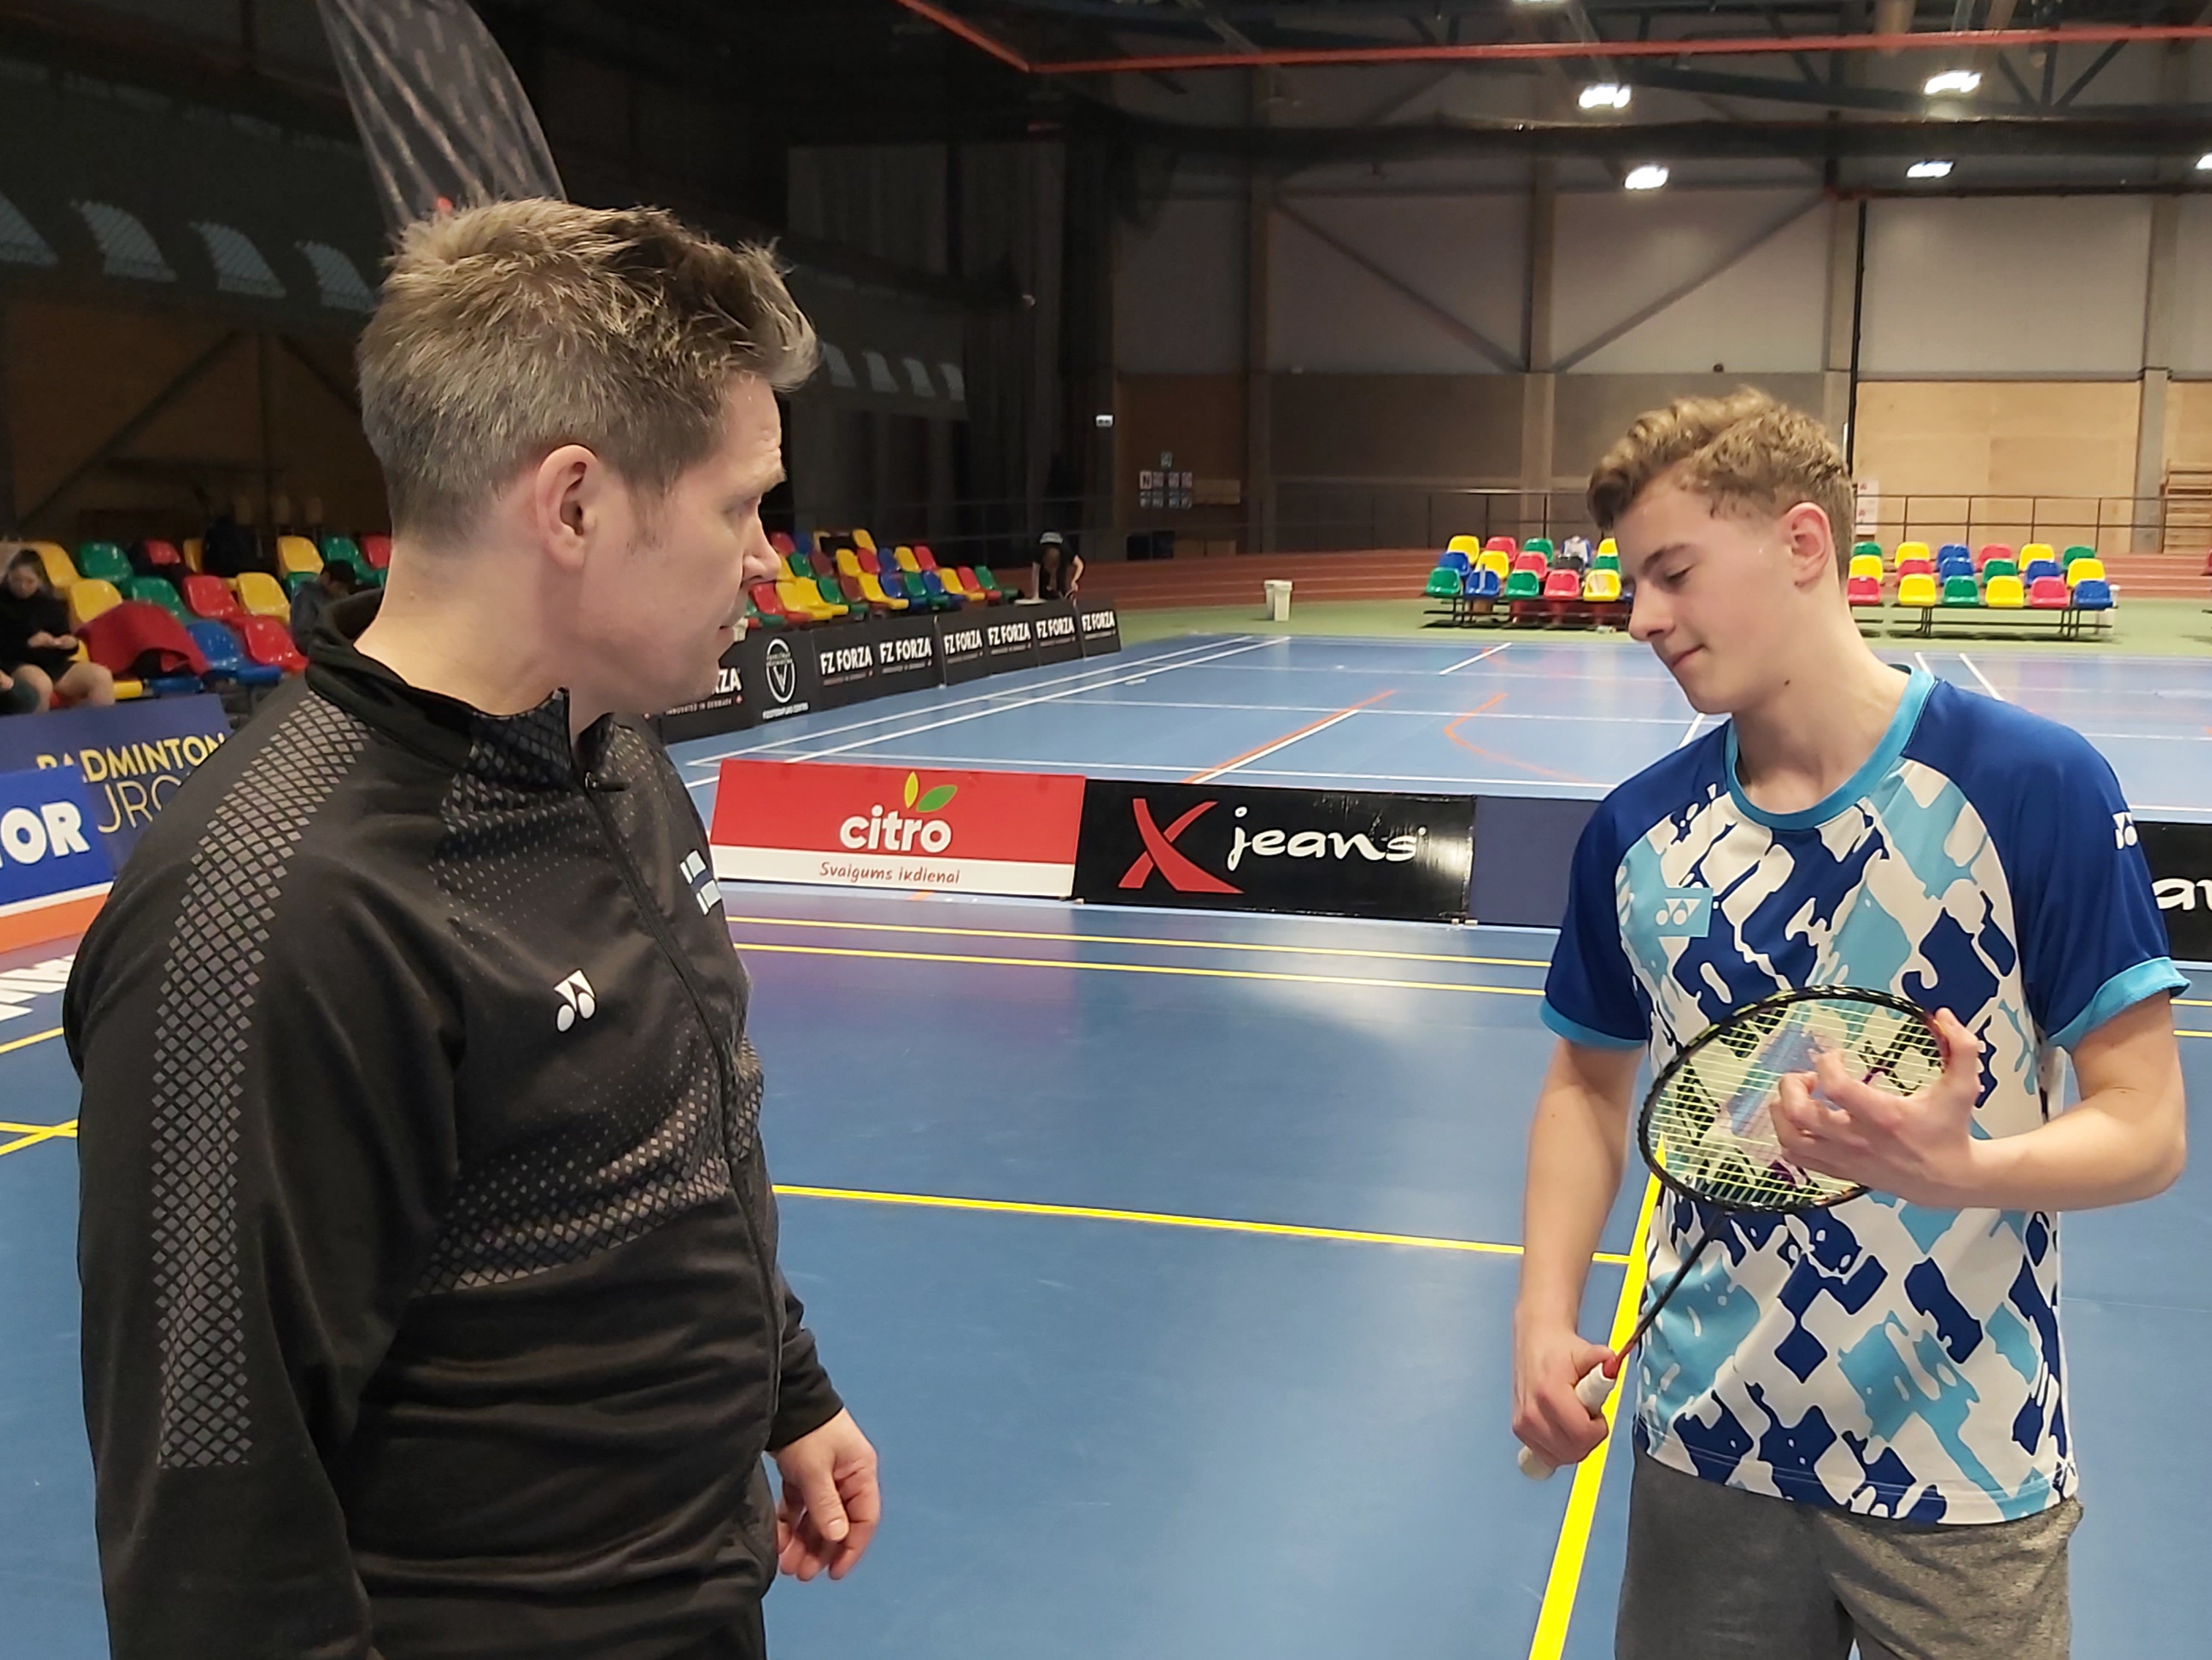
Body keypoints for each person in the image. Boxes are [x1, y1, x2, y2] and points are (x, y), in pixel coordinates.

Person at [67, 201, 880, 1660]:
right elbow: (210, 1525)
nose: (768, 558)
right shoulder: (279, 910)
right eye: (738, 506)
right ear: (572, 507)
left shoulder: (608, 753)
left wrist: (787, 1387)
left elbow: (686, 1124)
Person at [1512, 390, 2186, 1660]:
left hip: (1963, 1466)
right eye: (1631, 581)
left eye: (1671, 574)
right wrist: (1542, 1318)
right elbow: (1584, 1085)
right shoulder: (1633, 834)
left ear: (1802, 544)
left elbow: (2145, 1127)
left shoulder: (2030, 785)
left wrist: (1961, 1169)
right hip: (1705, 1449)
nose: (1638, 616)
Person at [0, 547, 115, 709]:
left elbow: (66, 640)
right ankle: (36, 725)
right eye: (17, 580)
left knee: (101, 676)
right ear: (8, 576)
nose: (23, 586)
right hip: (17, 663)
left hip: (54, 665)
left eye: (29, 581)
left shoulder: (52, 604)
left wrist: (69, 643)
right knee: (41, 684)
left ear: (40, 580)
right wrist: (28, 644)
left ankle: (98, 724)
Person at [289, 557, 360, 640]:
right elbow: (303, 634)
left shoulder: (333, 595)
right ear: (326, 578)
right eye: (340, 588)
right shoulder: (305, 595)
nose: (343, 594)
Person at [1035, 529, 1082, 600]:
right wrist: (1036, 595)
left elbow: (1080, 565)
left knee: (1061, 580)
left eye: (1053, 569)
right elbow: (1035, 573)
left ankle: (1062, 593)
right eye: (1049, 568)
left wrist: (1074, 580)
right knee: (1042, 589)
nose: (1052, 572)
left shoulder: (1066, 551)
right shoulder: (1038, 552)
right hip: (1044, 542)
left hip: (1060, 544)